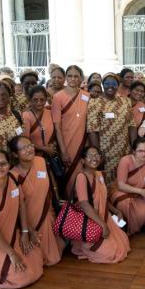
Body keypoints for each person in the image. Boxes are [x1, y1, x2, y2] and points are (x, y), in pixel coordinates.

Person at [0, 149, 43, 289]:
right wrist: (11, 254)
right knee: (19, 277)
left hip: (11, 233)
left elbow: (21, 204)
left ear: (9, 164)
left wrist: (24, 232)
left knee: (37, 259)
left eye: (2, 163)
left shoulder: (12, 179)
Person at [10, 136, 64, 266]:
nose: (29, 149)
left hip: (47, 214)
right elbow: (15, 206)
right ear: (15, 154)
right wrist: (26, 229)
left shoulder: (41, 161)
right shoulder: (13, 174)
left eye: (30, 145)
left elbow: (52, 185)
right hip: (27, 221)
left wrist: (57, 201)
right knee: (34, 259)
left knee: (54, 255)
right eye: (24, 148)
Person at [71, 146, 131, 263]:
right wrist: (102, 225)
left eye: (97, 155)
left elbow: (103, 199)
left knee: (123, 244)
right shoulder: (81, 177)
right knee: (111, 253)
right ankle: (85, 247)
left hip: (104, 217)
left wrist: (116, 211)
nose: (94, 158)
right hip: (91, 221)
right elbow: (84, 205)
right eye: (90, 156)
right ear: (83, 160)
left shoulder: (100, 175)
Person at [87, 74, 137, 184]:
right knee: (106, 181)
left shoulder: (125, 101)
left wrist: (134, 147)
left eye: (113, 84)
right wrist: (97, 153)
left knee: (123, 179)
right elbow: (92, 130)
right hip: (105, 151)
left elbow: (132, 125)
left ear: (118, 86)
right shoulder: (94, 102)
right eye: (107, 84)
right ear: (103, 85)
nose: (110, 86)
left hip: (124, 150)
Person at [111, 138, 145, 236]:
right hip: (121, 192)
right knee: (124, 203)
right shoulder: (125, 161)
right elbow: (121, 185)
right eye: (140, 151)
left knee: (142, 212)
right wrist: (140, 191)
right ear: (134, 151)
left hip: (139, 196)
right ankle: (122, 231)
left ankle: (131, 230)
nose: (144, 154)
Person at [52, 65, 90, 197]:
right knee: (68, 177)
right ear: (66, 78)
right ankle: (69, 211)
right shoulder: (58, 97)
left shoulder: (87, 96)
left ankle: (81, 207)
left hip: (82, 144)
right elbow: (57, 126)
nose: (73, 79)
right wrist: (63, 151)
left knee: (81, 176)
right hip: (66, 144)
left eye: (76, 76)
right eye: (70, 76)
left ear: (81, 78)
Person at [22, 85, 56, 158]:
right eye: (35, 100)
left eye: (42, 99)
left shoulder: (50, 113)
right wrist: (44, 149)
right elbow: (24, 142)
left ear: (46, 99)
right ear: (30, 100)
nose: (39, 102)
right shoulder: (26, 116)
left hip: (50, 155)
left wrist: (53, 145)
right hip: (33, 156)